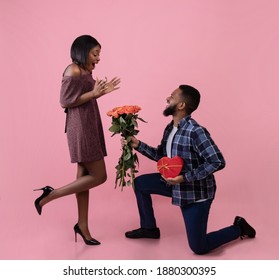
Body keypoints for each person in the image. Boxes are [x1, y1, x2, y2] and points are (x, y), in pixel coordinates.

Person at [124, 85, 256, 254]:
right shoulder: (170, 128)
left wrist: (184, 178)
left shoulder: (196, 131)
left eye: (172, 96)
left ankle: (239, 228)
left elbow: (217, 161)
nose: (167, 99)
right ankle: (149, 229)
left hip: (195, 193)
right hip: (174, 185)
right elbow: (162, 157)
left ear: (181, 105)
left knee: (199, 247)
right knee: (141, 183)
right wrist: (138, 145)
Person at [34, 35, 120, 245]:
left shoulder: (84, 71)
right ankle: (50, 195)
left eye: (99, 54)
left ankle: (82, 226)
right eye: (95, 53)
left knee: (84, 179)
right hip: (81, 127)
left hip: (88, 122)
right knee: (99, 176)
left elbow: (82, 97)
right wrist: (93, 94)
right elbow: (65, 101)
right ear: (82, 52)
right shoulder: (72, 70)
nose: (98, 58)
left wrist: (99, 92)